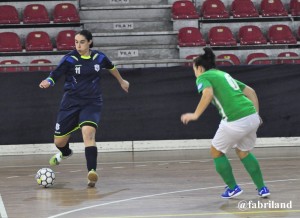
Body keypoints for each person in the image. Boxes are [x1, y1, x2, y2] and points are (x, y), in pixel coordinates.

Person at [39, 29, 129, 187]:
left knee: (88, 134)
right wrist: (49, 81)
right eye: (76, 42)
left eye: (81, 42)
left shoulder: (99, 57)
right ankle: (65, 153)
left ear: (89, 42)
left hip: (92, 103)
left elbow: (111, 67)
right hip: (70, 103)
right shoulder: (70, 59)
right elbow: (56, 73)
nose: (78, 45)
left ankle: (91, 173)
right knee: (59, 141)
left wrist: (122, 81)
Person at [181, 47, 270, 199]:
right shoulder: (222, 74)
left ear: (200, 68)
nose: (194, 72)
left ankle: (233, 188)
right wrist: (256, 114)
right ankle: (262, 188)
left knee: (216, 151)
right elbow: (251, 92)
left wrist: (195, 115)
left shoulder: (203, 77)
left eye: (194, 69)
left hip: (235, 119)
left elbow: (207, 93)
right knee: (243, 152)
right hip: (252, 116)